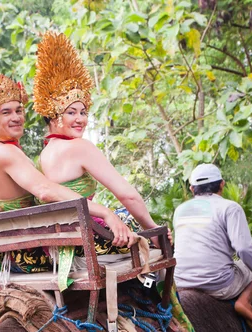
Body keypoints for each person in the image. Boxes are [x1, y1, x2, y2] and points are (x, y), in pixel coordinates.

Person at [0, 68, 134, 273]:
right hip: (31, 255)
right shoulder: (6, 153)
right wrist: (105, 212)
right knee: (127, 222)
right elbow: (45, 191)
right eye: (6, 112)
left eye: (18, 110)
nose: (16, 117)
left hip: (15, 254)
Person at [33, 31, 167, 255]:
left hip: (55, 246)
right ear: (55, 116)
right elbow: (128, 195)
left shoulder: (44, 155)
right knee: (139, 225)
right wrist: (152, 229)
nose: (81, 119)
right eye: (71, 112)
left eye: (83, 112)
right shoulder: (80, 147)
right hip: (84, 244)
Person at [172, 163, 252, 332]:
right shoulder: (230, 207)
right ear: (221, 184)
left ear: (192, 188)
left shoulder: (180, 210)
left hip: (181, 281)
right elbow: (244, 249)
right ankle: (245, 302)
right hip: (218, 285)